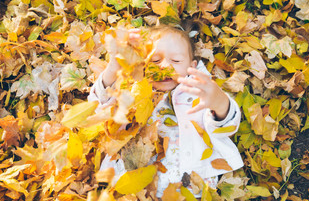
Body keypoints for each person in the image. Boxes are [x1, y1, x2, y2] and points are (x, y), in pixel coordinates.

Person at [88, 23, 244, 198]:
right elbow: (99, 107)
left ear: (192, 66)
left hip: (188, 184)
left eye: (176, 61)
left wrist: (220, 103)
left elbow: (226, 127)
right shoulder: (132, 89)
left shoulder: (198, 92)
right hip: (135, 184)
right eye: (155, 60)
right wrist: (114, 68)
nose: (164, 66)